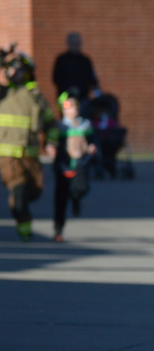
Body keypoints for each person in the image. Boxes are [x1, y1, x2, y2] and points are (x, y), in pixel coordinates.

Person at [0, 52, 58, 241]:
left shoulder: (35, 95)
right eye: (11, 69)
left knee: (34, 191)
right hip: (8, 156)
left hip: (30, 156)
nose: (14, 72)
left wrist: (51, 142)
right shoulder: (4, 92)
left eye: (19, 69)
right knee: (19, 196)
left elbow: (51, 123)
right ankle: (25, 232)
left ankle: (19, 205)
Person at [52, 92, 97, 242]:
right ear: (63, 109)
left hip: (80, 164)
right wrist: (50, 147)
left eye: (74, 106)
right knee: (61, 199)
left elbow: (92, 139)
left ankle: (76, 198)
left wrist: (92, 146)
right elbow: (51, 142)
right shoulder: (59, 126)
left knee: (82, 187)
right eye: (68, 107)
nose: (72, 110)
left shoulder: (85, 124)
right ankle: (58, 230)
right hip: (63, 166)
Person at [52, 33, 100, 101]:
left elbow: (92, 78)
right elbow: (56, 78)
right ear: (69, 44)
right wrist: (69, 88)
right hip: (65, 97)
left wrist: (96, 90)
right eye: (73, 43)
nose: (76, 45)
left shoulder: (85, 61)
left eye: (77, 43)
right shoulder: (62, 60)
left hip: (83, 97)